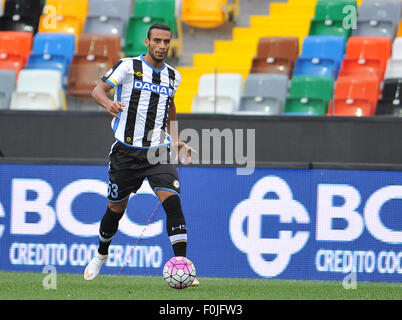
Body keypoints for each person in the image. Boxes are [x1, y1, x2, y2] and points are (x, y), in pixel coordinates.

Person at [84, 23, 199, 286]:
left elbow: (169, 107)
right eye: (157, 41)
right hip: (125, 153)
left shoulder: (173, 76)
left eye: (166, 41)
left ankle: (183, 266)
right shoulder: (127, 66)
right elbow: (97, 90)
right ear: (147, 42)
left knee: (173, 203)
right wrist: (108, 103)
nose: (162, 46)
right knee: (115, 209)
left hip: (157, 152)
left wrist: (175, 138)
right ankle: (102, 253)